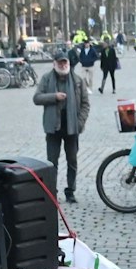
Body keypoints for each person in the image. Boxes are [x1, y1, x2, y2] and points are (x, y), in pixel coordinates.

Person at [33, 52, 90, 204]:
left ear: (69, 64)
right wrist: (53, 96)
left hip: (72, 127)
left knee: (72, 161)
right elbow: (37, 98)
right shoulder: (46, 78)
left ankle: (70, 191)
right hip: (53, 127)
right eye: (60, 63)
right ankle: (52, 192)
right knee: (51, 162)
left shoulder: (77, 80)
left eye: (65, 63)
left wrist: (80, 122)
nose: (63, 65)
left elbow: (85, 104)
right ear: (54, 64)